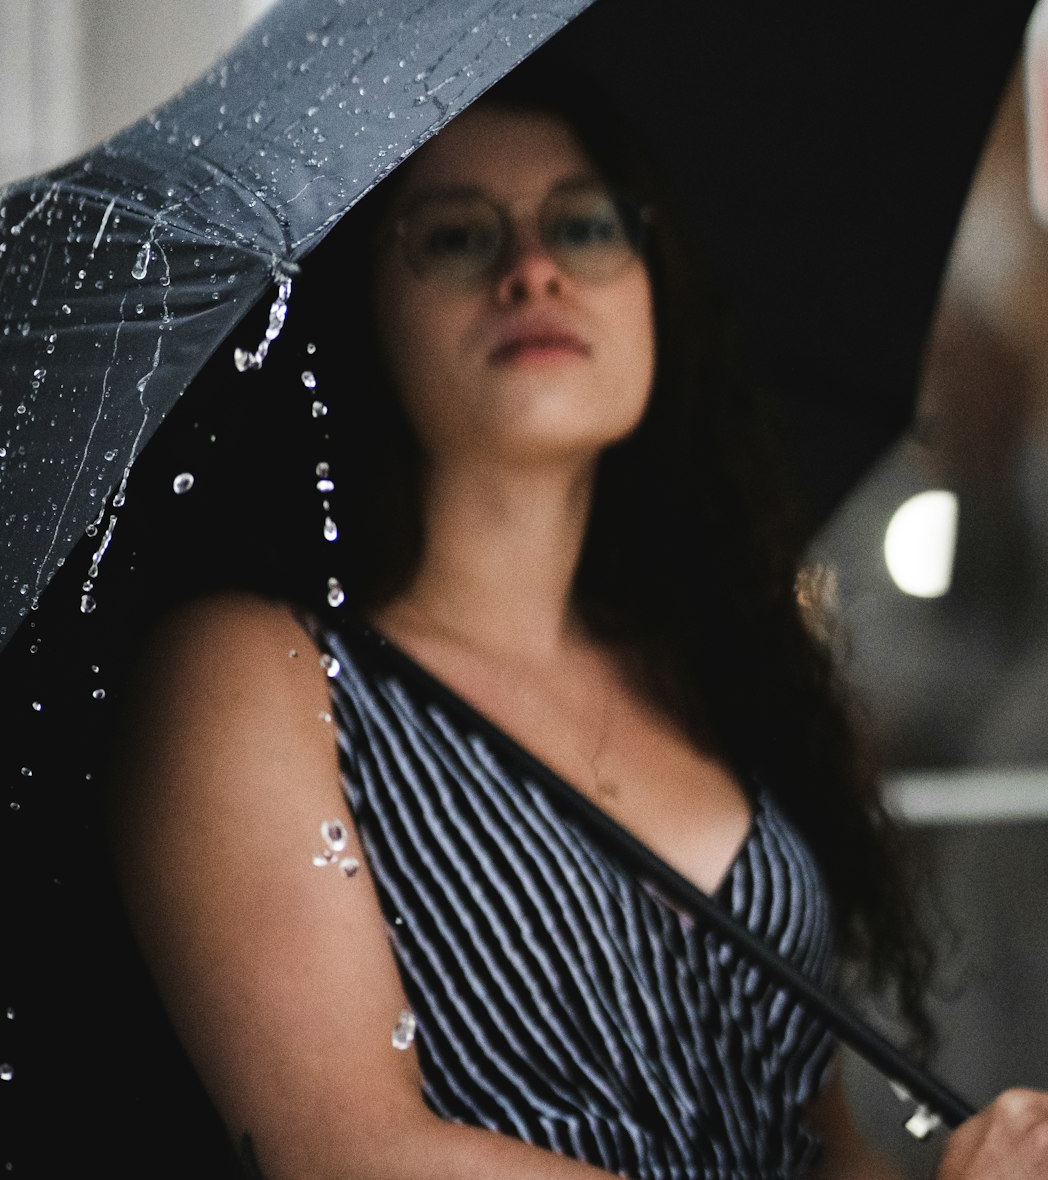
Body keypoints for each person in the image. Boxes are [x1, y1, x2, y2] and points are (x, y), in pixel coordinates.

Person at [105, 66, 1048, 1179]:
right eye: (457, 238)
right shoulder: (255, 670)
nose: (534, 270)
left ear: (659, 289)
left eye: (587, 225)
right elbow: (352, 1153)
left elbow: (819, 1147)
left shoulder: (718, 670)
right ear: (365, 307)